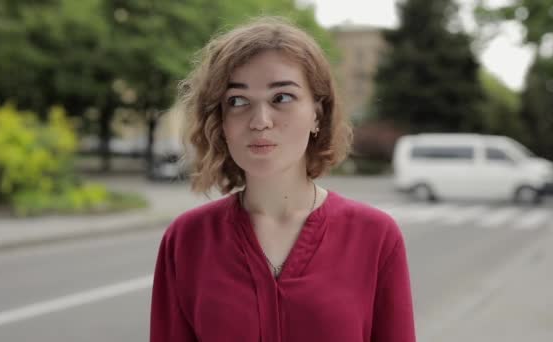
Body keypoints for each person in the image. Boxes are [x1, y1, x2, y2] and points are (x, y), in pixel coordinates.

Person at [150, 16, 415, 342]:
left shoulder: (375, 237)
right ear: (221, 120)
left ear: (317, 114)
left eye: (282, 98)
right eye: (238, 101)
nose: (260, 121)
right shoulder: (187, 240)